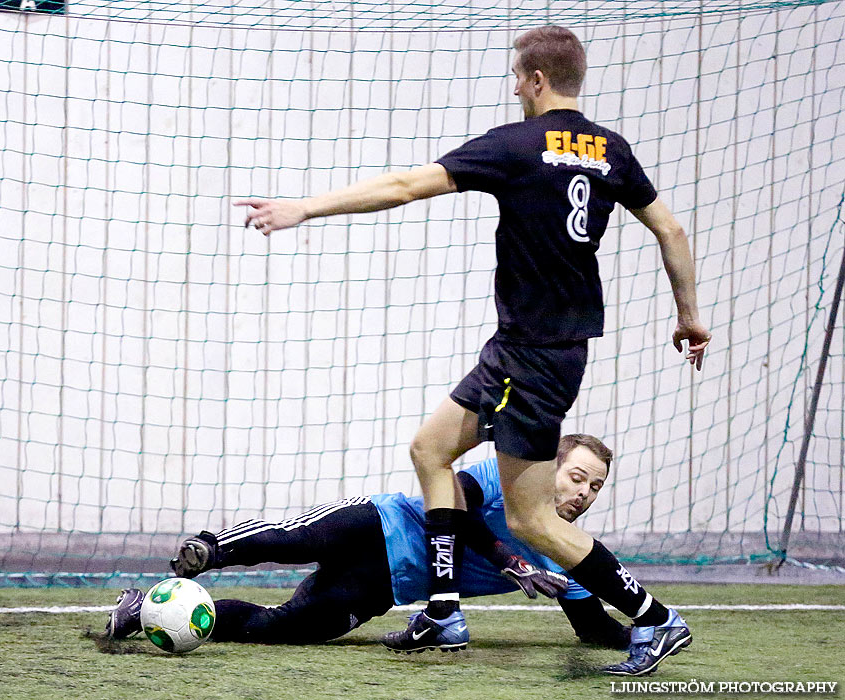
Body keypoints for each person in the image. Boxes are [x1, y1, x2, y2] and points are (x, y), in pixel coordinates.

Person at [233, 25, 710, 676]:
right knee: (430, 449)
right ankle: (443, 608)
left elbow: (404, 185)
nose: (516, 87)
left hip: (531, 356)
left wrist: (306, 208)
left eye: (519, 77)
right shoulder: (611, 150)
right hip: (533, 349)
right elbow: (672, 229)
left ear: (537, 80)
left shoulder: (517, 145)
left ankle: (656, 619)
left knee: (534, 520)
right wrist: (689, 318)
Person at [108, 434, 630, 652]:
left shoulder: (569, 553)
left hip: (382, 585)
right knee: (294, 540)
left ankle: (145, 613)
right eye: (577, 476)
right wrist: (508, 559)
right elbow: (449, 501)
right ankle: (211, 549)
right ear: (550, 469)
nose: (583, 493)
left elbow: (592, 627)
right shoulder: (507, 476)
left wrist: (645, 629)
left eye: (595, 486)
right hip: (381, 524)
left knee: (281, 628)